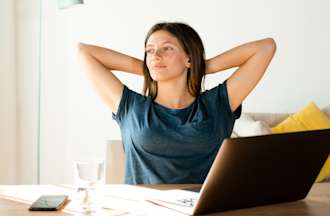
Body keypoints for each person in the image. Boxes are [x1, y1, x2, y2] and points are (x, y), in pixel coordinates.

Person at [78, 22, 276, 184]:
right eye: (150, 50)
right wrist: (150, 68)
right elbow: (84, 52)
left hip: (202, 211)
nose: (156, 55)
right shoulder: (131, 106)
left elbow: (266, 47)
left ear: (189, 57)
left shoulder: (217, 104)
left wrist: (202, 66)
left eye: (167, 49)